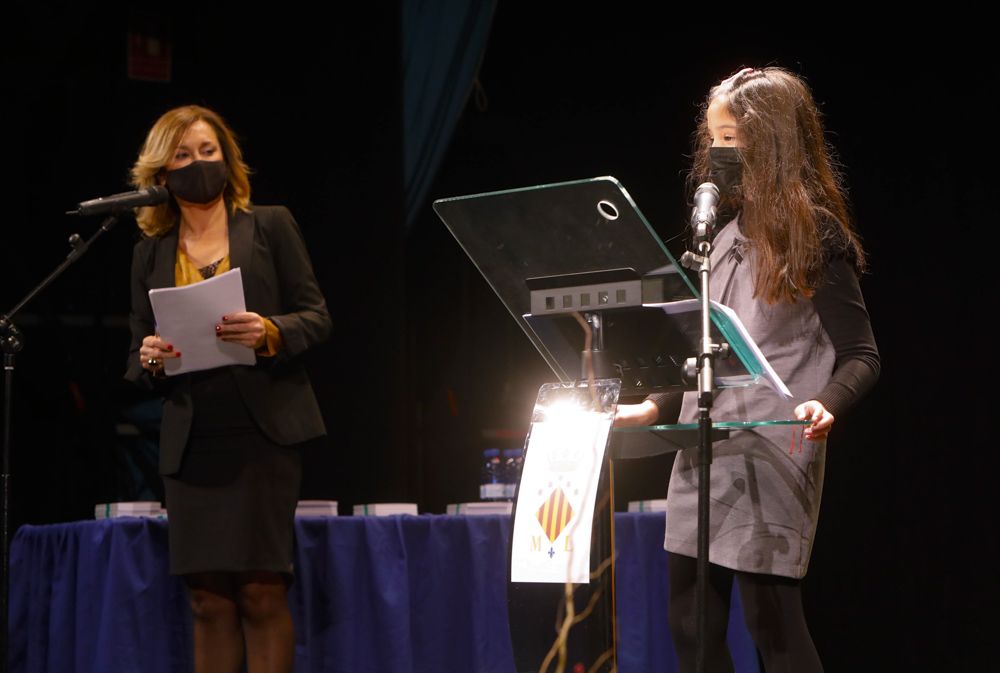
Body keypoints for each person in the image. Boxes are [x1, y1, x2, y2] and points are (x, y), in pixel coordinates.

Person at [615, 67, 880, 672]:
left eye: (729, 139)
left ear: (770, 142)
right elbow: (712, 353)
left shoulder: (815, 235)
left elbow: (863, 353)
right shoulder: (723, 239)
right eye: (711, 139)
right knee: (691, 624)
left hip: (774, 450)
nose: (715, 154)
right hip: (706, 447)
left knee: (771, 624)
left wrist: (829, 403)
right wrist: (656, 405)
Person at [124, 105, 332, 673]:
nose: (198, 164)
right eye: (183, 155)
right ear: (161, 173)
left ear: (227, 159)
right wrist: (151, 359)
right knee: (208, 599)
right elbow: (139, 348)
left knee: (261, 592)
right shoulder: (149, 252)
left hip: (261, 433)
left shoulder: (269, 224)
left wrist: (269, 330)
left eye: (208, 151)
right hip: (192, 441)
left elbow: (317, 316)